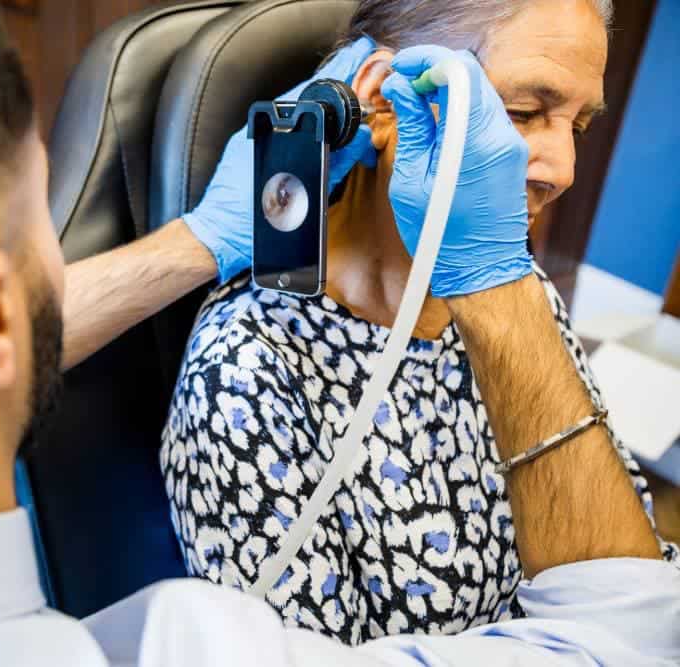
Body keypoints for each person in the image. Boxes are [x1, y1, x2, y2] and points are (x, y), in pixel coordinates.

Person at [0, 1, 678, 666]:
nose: (554, 166)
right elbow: (629, 630)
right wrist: (493, 275)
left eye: (578, 125)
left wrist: (205, 238)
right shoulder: (183, 641)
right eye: (46, 221)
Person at [160, 0, 680, 646]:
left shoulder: (514, 290)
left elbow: (631, 585)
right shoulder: (247, 369)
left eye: (577, 126)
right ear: (385, 103)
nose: (564, 171)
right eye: (523, 112)